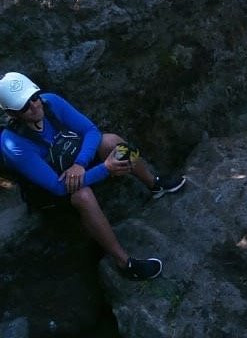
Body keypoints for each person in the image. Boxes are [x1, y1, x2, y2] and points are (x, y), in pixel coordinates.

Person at [0, 71, 185, 280]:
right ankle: (124, 262)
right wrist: (106, 168)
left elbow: (91, 130)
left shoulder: (50, 102)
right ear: (12, 113)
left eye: (34, 97)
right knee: (83, 195)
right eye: (25, 106)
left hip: (76, 163)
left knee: (112, 141)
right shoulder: (13, 144)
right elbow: (57, 187)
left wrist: (81, 164)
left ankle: (154, 184)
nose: (35, 106)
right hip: (53, 191)